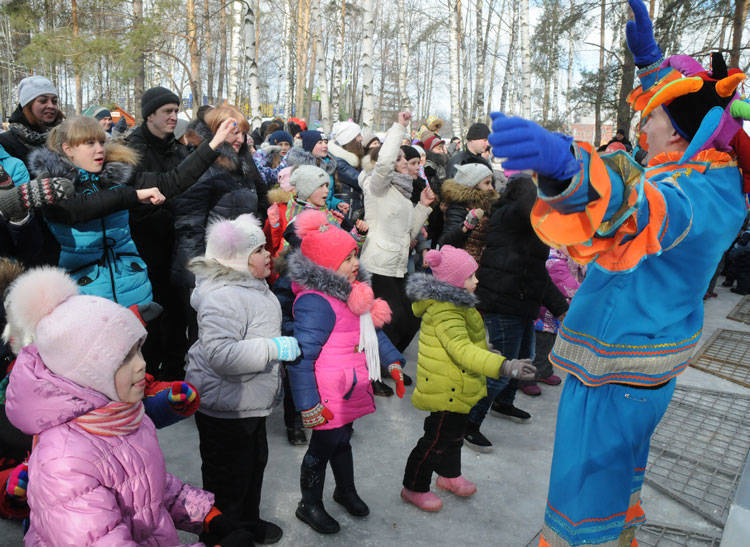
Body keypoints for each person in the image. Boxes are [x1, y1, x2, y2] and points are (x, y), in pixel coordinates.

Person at [489, 2, 749, 545]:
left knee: (584, 499)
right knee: (615, 483)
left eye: (650, 117)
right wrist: (651, 65)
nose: (642, 125)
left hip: (616, 364)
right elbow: (685, 117)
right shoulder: (705, 170)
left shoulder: (690, 194)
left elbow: (637, 210)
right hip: (638, 356)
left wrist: (570, 171)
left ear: (676, 134)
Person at [3, 267, 252, 545]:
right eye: (124, 358)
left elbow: (145, 485)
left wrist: (206, 515)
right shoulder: (65, 464)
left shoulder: (123, 416)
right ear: (89, 373)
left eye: (139, 350)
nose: (142, 364)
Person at [28, 115, 234, 312]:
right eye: (90, 143)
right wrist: (132, 196)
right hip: (85, 296)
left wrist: (213, 144)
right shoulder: (50, 185)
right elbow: (77, 209)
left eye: (101, 141)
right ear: (68, 149)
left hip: (134, 290)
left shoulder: (116, 175)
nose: (100, 149)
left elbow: (173, 181)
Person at [286, 210, 405, 535]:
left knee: (342, 440)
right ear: (325, 264)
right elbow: (301, 358)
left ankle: (344, 490)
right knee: (322, 447)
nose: (355, 262)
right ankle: (308, 504)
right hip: (327, 393)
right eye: (346, 257)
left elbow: (371, 332)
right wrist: (308, 405)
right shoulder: (317, 302)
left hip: (349, 385)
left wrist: (391, 360)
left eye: (355, 254)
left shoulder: (352, 293)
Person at [400, 246, 535, 512]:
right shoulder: (446, 311)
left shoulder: (459, 305)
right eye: (471, 276)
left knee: (454, 435)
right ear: (453, 282)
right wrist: (503, 366)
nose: (477, 280)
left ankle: (449, 475)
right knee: (436, 439)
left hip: (459, 385)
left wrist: (487, 352)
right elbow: (461, 350)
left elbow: (470, 343)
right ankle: (414, 486)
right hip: (446, 388)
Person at [186, 214, 294, 545]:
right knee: (227, 479)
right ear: (236, 258)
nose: (268, 254)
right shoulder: (222, 296)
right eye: (260, 249)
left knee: (253, 464)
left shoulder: (252, 285)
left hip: (249, 403)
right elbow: (221, 356)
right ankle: (223, 534)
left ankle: (246, 521)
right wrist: (272, 347)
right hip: (226, 407)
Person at [463, 173, 568, 452]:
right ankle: (468, 423)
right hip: (502, 301)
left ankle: (503, 403)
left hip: (522, 302)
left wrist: (560, 308)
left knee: (525, 359)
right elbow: (526, 207)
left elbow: (537, 275)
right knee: (500, 367)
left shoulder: (533, 230)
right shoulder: (509, 217)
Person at [125, 86, 213, 380]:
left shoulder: (175, 148)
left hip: (175, 241)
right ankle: (148, 372)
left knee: (177, 310)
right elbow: (163, 185)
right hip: (144, 244)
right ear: (150, 115)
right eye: (168, 111)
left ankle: (174, 374)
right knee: (152, 312)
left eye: (177, 111)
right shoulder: (133, 149)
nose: (175, 117)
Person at [172, 104, 268, 342]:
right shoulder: (204, 167)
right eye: (233, 132)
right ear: (216, 131)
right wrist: (197, 275)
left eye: (243, 132)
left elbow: (256, 209)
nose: (240, 139)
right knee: (211, 337)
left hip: (242, 265)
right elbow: (189, 226)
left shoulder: (244, 165)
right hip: (214, 269)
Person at [358, 111, 435, 396]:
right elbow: (386, 161)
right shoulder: (376, 186)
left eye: (408, 160)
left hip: (397, 265)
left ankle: (387, 365)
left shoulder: (403, 194)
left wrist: (423, 207)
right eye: (401, 159)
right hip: (376, 264)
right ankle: (371, 370)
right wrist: (399, 127)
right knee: (389, 317)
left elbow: (407, 235)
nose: (405, 164)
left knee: (412, 316)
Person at [523, 248, 580, 396]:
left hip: (553, 314)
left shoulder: (565, 257)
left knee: (549, 345)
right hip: (544, 314)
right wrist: (583, 291)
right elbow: (567, 283)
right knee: (540, 348)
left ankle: (544, 371)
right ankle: (527, 379)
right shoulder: (553, 260)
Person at [438, 162, 498, 262]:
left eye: (491, 183)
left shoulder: (488, 204)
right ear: (473, 185)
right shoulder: (459, 207)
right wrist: (466, 225)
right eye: (487, 183)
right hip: (463, 266)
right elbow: (445, 241)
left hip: (482, 262)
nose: (491, 188)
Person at [0, 76, 63, 168]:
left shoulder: (65, 138)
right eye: (43, 101)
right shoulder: (5, 142)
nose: (51, 106)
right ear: (27, 105)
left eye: (54, 101)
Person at [285, 130, 347, 213]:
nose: (325, 146)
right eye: (320, 143)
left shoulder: (329, 165)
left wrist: (336, 203)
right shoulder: (301, 169)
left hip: (325, 214)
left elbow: (327, 196)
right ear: (310, 146)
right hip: (307, 215)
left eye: (326, 142)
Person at [328, 121, 366, 219]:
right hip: (347, 214)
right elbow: (360, 180)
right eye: (358, 135)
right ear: (349, 140)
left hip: (353, 211)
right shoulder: (339, 163)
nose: (361, 138)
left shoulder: (351, 159)